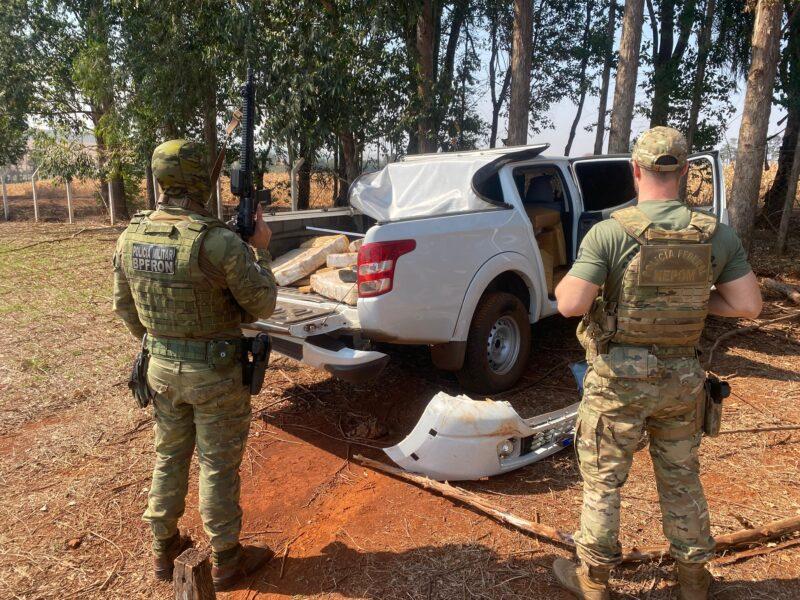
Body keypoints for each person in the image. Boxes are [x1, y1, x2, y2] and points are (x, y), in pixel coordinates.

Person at [552, 127, 762, 600]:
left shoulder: (610, 232)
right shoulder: (716, 234)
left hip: (617, 383)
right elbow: (749, 304)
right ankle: (693, 582)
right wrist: (693, 303)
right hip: (681, 379)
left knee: (604, 482)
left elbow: (570, 304)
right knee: (681, 477)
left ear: (635, 170)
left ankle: (594, 582)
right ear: (686, 171)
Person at [112, 139, 278, 590]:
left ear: (160, 179)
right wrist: (260, 249)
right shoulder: (219, 242)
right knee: (217, 465)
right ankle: (226, 559)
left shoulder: (131, 235)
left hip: (161, 370)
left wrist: (165, 341)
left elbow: (126, 311)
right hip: (216, 375)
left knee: (168, 456)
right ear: (201, 179)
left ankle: (163, 551)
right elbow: (261, 303)